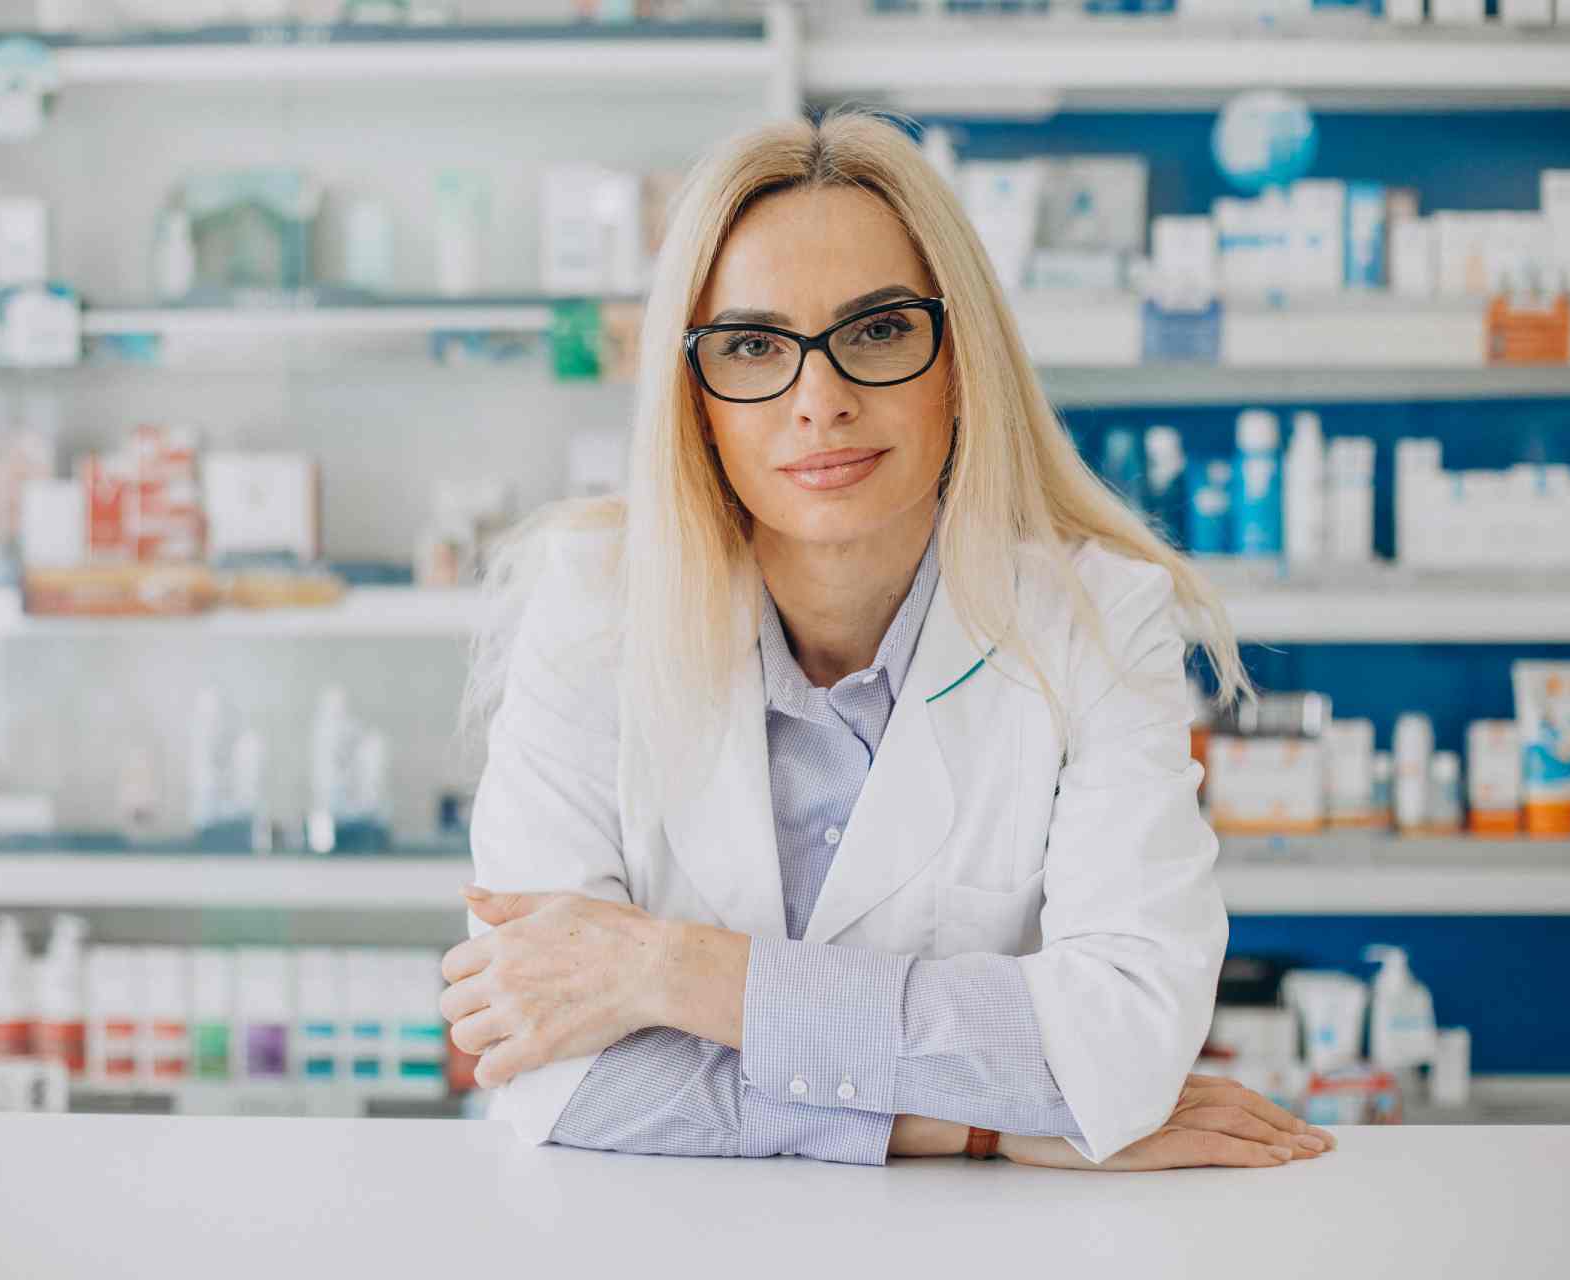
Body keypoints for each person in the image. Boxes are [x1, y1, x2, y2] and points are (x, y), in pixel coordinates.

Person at [438, 109, 1336, 1171]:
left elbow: (1125, 1039)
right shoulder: (589, 608)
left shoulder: (1098, 619)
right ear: (695, 399)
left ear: (961, 362)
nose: (820, 400)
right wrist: (981, 1122)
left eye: (876, 330)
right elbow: (554, 1073)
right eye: (754, 345)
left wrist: (675, 972)